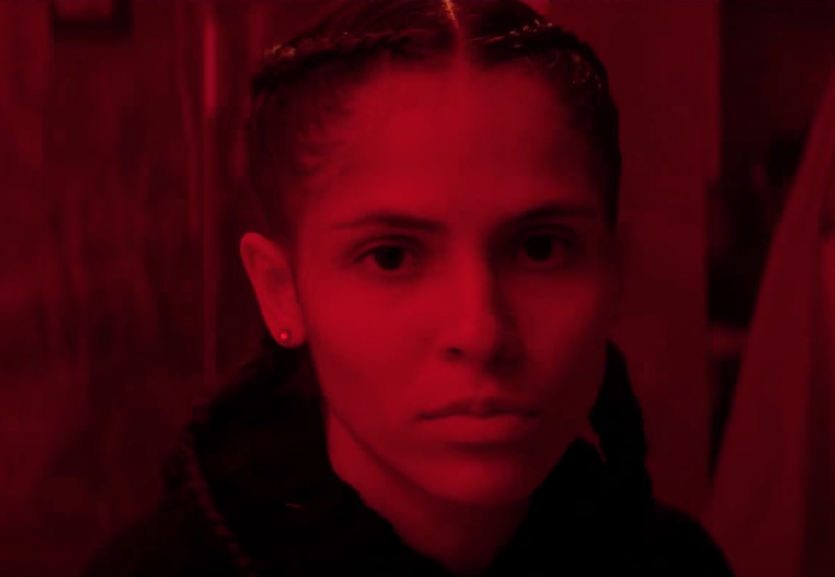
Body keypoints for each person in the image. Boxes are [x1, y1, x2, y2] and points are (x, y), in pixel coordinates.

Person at [82, 1, 733, 575]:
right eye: (390, 257)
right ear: (281, 289)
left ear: (614, 270)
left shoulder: (674, 564)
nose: (481, 332)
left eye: (539, 248)